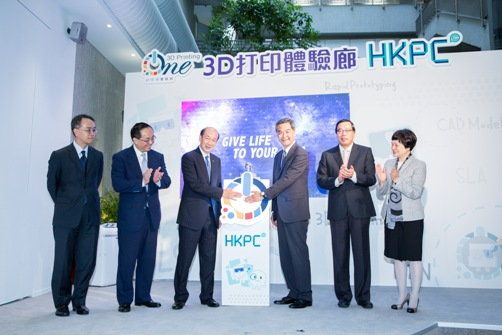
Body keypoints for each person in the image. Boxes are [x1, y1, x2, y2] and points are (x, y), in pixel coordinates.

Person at [246, 118, 312, 309]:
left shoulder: (301, 154)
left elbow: (287, 179)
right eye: (280, 132)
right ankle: (293, 292)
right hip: (282, 212)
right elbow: (277, 180)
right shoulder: (278, 156)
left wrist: (264, 195)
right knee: (286, 255)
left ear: (294, 132)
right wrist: (274, 210)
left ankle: (305, 295)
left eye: (287, 131)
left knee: (298, 254)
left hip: (296, 212)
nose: (284, 135)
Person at [172, 127, 240, 310]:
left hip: (210, 218)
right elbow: (195, 185)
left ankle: (207, 296)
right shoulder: (189, 158)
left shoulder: (217, 161)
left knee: (208, 259)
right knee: (185, 259)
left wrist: (219, 213)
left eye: (214, 139)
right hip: (191, 217)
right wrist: (222, 192)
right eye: (207, 138)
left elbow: (217, 185)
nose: (210, 142)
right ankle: (180, 297)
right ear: (200, 137)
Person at [47, 114, 103, 317]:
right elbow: (52, 186)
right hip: (65, 218)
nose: (92, 133)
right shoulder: (59, 155)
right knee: (63, 261)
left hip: (90, 218)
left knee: (86, 260)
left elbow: (94, 183)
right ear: (75, 131)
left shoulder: (97, 156)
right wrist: (68, 204)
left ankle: (79, 301)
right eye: (88, 129)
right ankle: (61, 303)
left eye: (94, 129)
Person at [111, 122, 171, 313]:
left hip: (151, 216)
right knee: (127, 260)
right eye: (146, 139)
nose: (150, 142)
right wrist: (142, 181)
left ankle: (144, 297)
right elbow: (118, 184)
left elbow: (167, 181)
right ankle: (125, 299)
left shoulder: (157, 156)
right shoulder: (121, 157)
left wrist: (158, 180)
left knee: (148, 259)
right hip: (130, 218)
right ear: (135, 139)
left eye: (153, 138)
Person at [316, 119, 376, 309]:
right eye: (339, 130)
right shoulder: (328, 155)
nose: (343, 133)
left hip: (360, 210)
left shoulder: (365, 152)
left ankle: (363, 297)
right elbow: (321, 180)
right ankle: (343, 296)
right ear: (336, 133)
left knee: (362, 255)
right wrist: (338, 179)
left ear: (353, 132)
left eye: (347, 130)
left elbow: (371, 178)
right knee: (340, 256)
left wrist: (355, 176)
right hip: (338, 211)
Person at [375, 129, 426, 313]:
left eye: (397, 143)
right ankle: (402, 295)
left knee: (413, 258)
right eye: (392, 143)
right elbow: (382, 194)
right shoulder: (389, 164)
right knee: (396, 257)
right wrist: (382, 181)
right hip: (392, 218)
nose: (393, 146)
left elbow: (415, 192)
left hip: (412, 218)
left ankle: (414, 297)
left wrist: (396, 181)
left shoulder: (419, 165)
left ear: (408, 145)